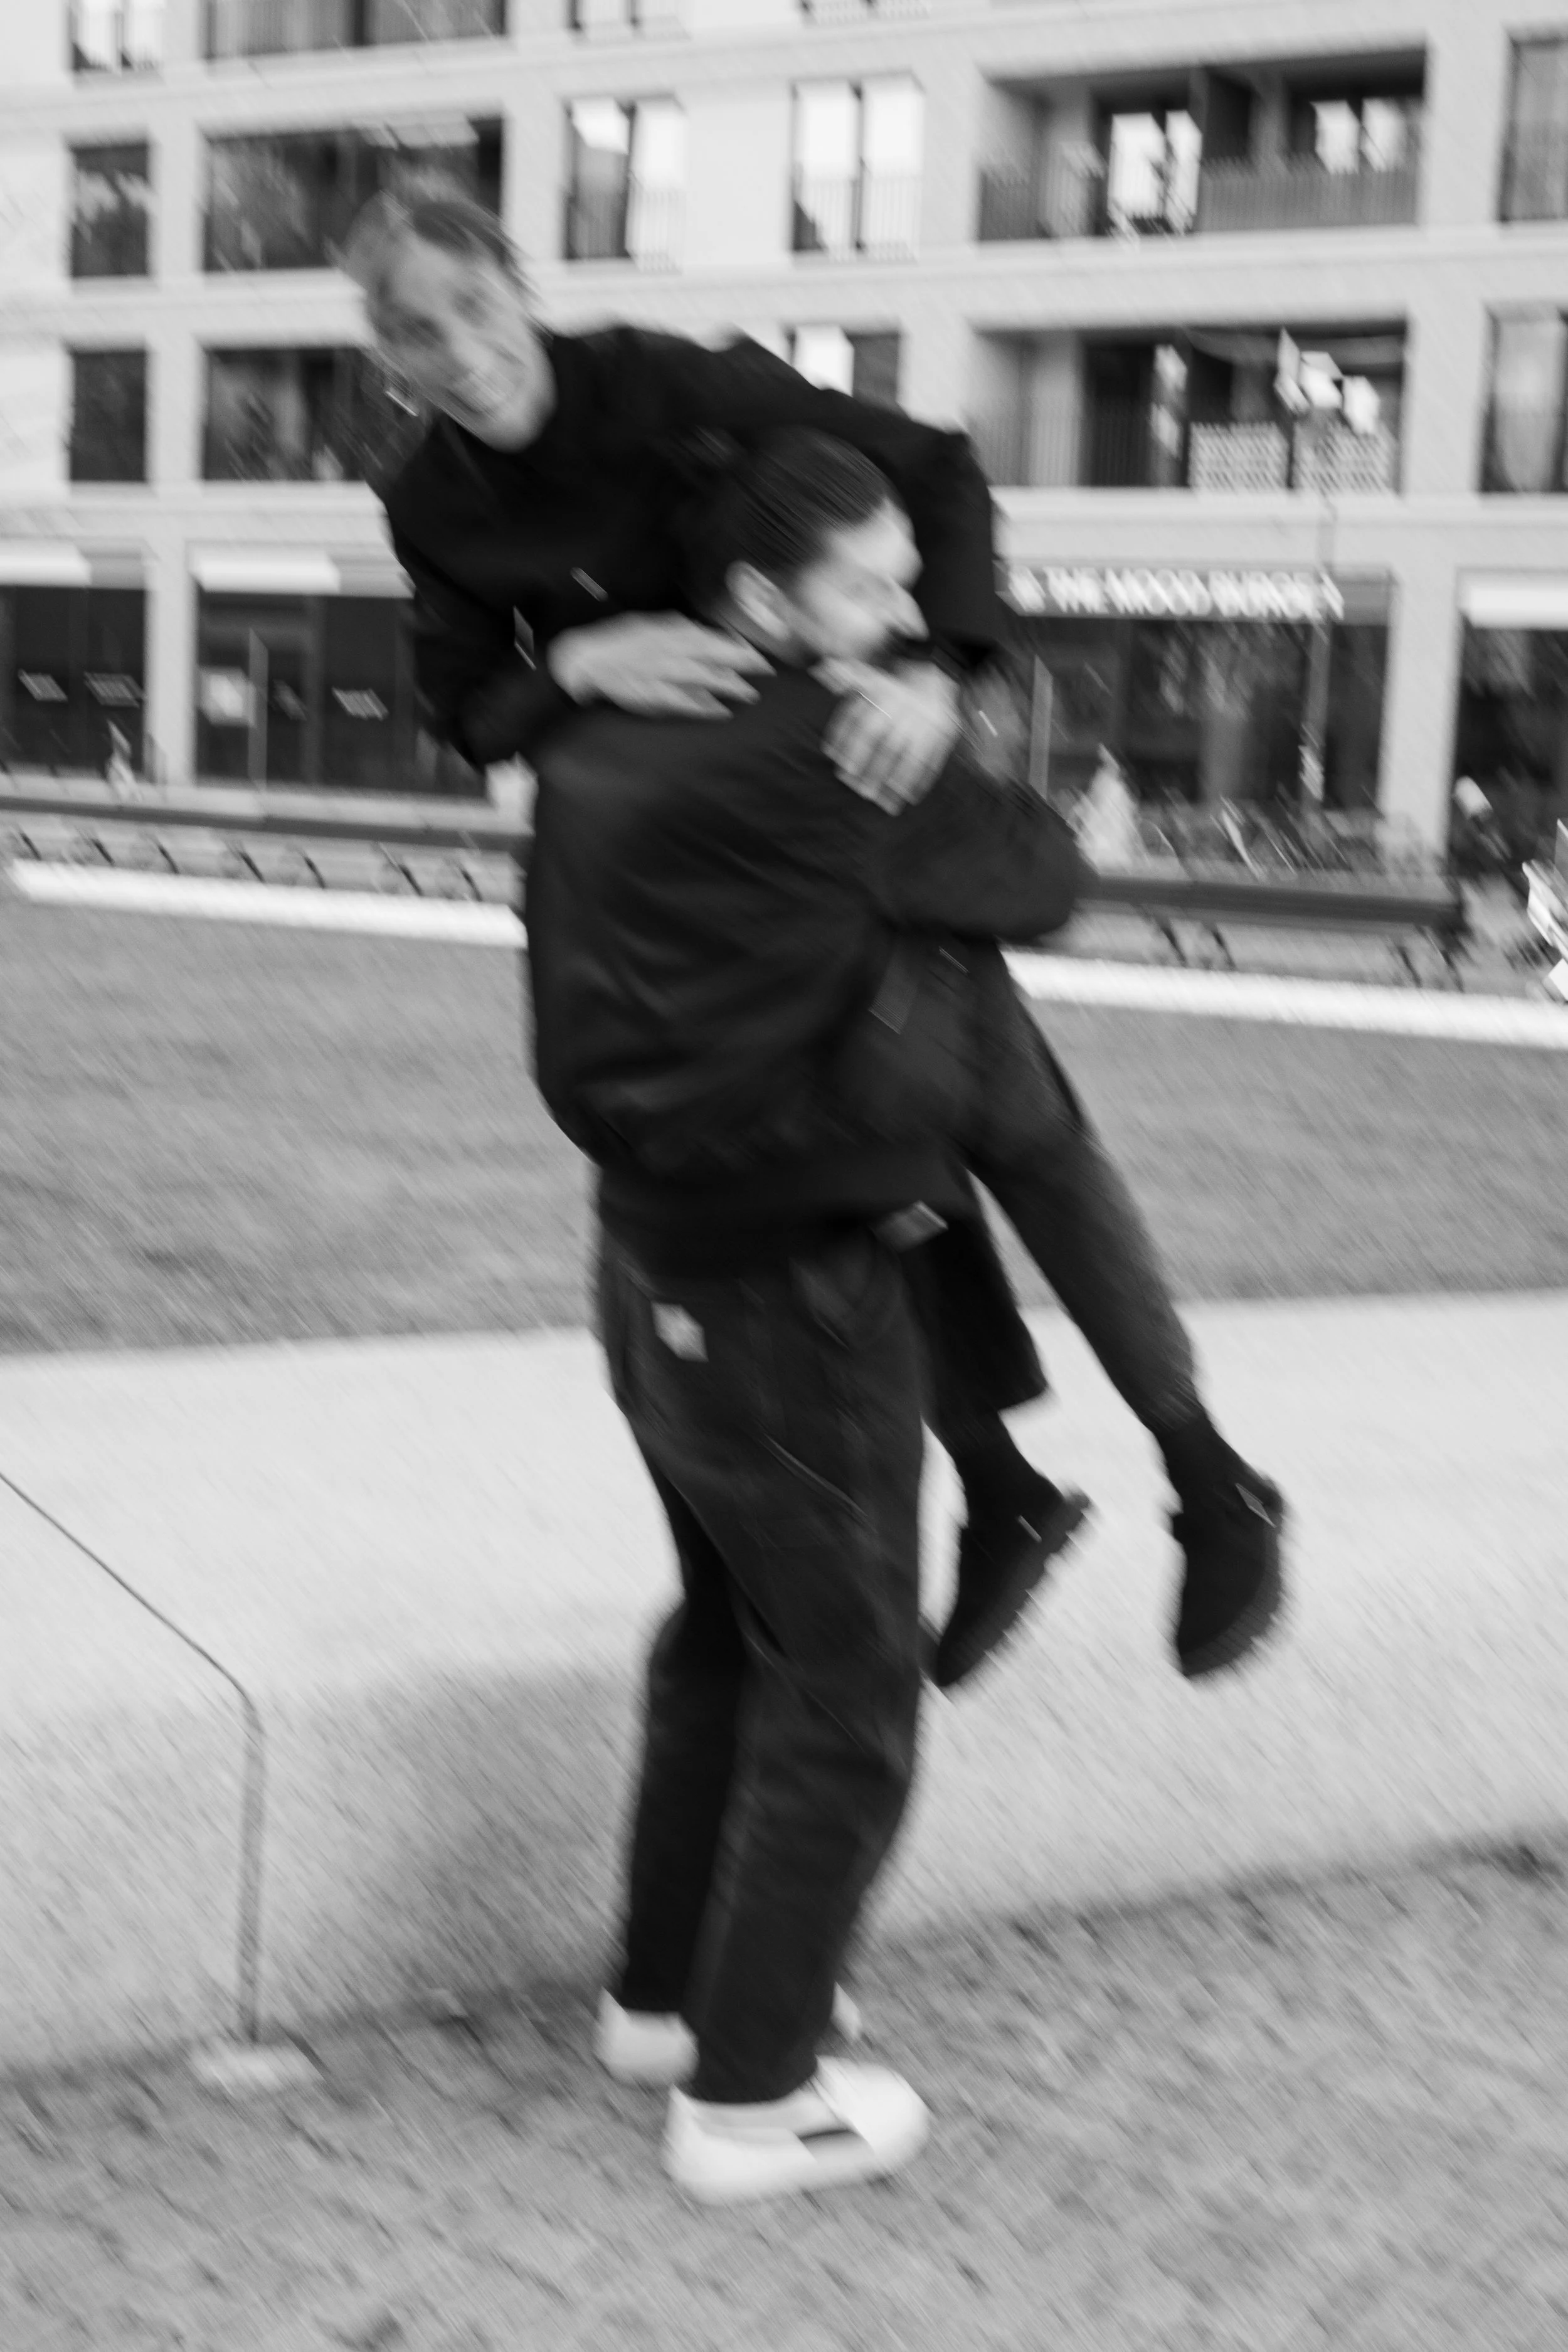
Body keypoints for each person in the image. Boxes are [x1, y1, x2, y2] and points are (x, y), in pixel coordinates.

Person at [343, 186, 1286, 1691]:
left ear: (521, 288)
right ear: (384, 353)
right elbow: (467, 703)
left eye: (474, 307)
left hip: (835, 776)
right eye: (414, 332)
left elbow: (932, 473)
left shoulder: (666, 383)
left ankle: (1157, 1478)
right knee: (865, 1158)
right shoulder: (432, 504)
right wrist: (582, 653)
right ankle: (1066, 1485)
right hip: (702, 865)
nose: (459, 352)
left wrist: (942, 670)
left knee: (988, 1121)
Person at [524, 432, 1084, 2205]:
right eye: (870, 584)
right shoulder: (847, 751)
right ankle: (752, 2090)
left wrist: (889, 663)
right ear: (766, 603)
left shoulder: (597, 732)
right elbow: (1044, 872)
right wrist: (927, 697)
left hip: (648, 1266)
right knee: (844, 1682)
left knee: (720, 1627)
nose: (908, 611)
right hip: (794, 1293)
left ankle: (665, 1995)